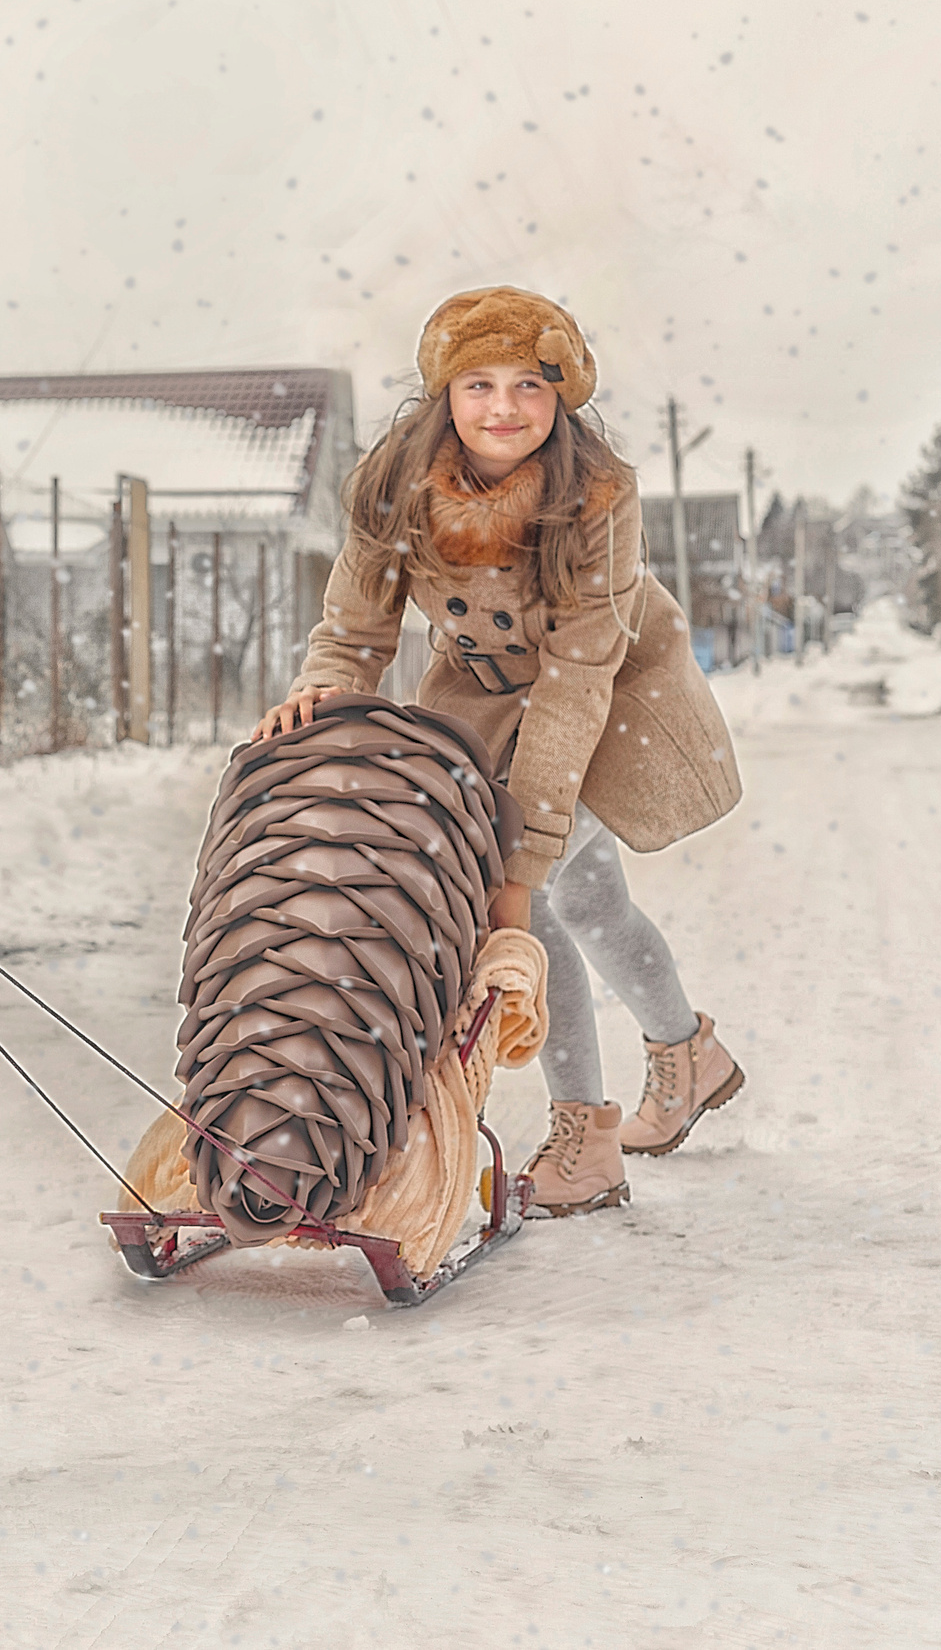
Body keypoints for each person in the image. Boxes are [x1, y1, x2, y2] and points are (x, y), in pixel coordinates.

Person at [254, 286, 746, 1217]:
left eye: (529, 384)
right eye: (477, 384)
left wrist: (519, 858)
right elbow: (355, 632)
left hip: (607, 704)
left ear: (563, 396)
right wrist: (321, 700)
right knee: (592, 898)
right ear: (443, 392)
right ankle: (690, 1053)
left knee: (537, 898)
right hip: (482, 702)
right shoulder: (392, 482)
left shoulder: (598, 496)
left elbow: (575, 681)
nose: (503, 408)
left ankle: (586, 1136)